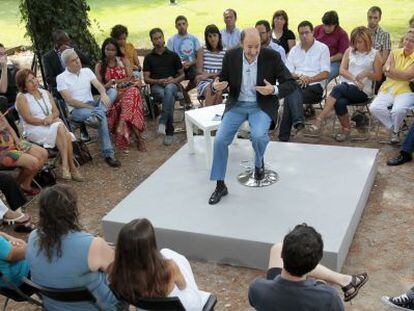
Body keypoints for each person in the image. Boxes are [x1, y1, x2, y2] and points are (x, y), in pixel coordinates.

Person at [208, 28, 297, 205]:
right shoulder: (231, 56)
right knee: (219, 141)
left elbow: (290, 83)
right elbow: (222, 81)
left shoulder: (271, 56)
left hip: (261, 105)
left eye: (257, 46)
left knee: (258, 136)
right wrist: (216, 86)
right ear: (241, 44)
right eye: (249, 47)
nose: (254, 51)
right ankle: (220, 185)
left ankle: (258, 162)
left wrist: (274, 89)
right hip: (237, 105)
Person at [26, 185, 121, 310]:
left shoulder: (33, 237)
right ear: (72, 211)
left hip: (54, 307)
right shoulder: (93, 245)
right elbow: (120, 273)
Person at [248, 223, 369, 310]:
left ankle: (345, 280)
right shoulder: (328, 297)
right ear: (314, 266)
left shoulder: (257, 288)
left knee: (277, 247)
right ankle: (345, 281)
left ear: (282, 255)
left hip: (273, 297)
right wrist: (320, 286)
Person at [109, 218, 210, 310]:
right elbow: (183, 287)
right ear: (150, 245)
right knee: (175, 258)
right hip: (181, 307)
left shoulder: (117, 271)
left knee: (166, 252)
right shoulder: (169, 267)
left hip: (144, 306)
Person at [309, 26, 382, 141]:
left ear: (367, 41)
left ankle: (320, 118)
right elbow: (341, 70)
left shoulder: (375, 54)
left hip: (363, 90)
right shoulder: (349, 51)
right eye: (355, 42)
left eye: (360, 42)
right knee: (340, 102)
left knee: (338, 89)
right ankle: (346, 129)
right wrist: (353, 78)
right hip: (347, 86)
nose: (357, 45)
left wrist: (367, 73)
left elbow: (378, 76)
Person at [15, 69, 84, 181]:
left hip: (51, 124)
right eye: (29, 81)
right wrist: (45, 121)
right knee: (62, 129)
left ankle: (67, 167)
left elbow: (56, 112)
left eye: (34, 78)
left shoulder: (45, 93)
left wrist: (51, 118)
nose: (34, 82)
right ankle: (71, 168)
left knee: (61, 129)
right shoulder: (22, 97)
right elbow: (28, 119)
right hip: (34, 128)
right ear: (23, 86)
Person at [56, 48, 121, 167]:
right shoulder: (61, 78)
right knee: (102, 116)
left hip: (93, 104)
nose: (78, 61)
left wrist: (103, 94)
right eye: (73, 60)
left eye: (78, 58)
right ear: (67, 64)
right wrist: (91, 108)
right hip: (77, 110)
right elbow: (70, 101)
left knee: (112, 91)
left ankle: (97, 115)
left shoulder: (86, 71)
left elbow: (99, 86)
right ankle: (109, 154)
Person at [279, 21, 330, 142]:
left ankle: (288, 132)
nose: (304, 36)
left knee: (290, 93)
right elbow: (287, 72)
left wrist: (309, 79)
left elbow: (326, 73)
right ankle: (297, 124)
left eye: (307, 32)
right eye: (301, 33)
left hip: (315, 87)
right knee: (292, 91)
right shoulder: (295, 50)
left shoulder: (322, 49)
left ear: (313, 32)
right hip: (298, 83)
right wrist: (299, 77)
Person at [95, 38, 146, 153]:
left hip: (127, 90)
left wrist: (116, 82)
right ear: (104, 50)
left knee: (131, 95)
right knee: (131, 100)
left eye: (113, 50)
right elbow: (100, 87)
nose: (110, 52)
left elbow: (130, 77)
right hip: (113, 95)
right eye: (107, 49)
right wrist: (108, 85)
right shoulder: (99, 65)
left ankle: (123, 124)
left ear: (116, 51)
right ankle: (139, 139)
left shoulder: (123, 60)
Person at [370, 28, 414, 144]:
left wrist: (392, 70)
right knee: (374, 108)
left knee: (398, 110)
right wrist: (401, 74)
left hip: (406, 90)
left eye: (412, 41)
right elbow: (385, 69)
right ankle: (396, 128)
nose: (407, 43)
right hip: (388, 87)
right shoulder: (395, 52)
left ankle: (395, 132)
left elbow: (408, 75)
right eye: (406, 39)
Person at [143, 28, 185, 146]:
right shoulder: (148, 58)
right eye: (155, 39)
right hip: (157, 86)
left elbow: (182, 74)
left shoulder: (173, 55)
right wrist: (158, 81)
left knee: (169, 89)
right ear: (152, 41)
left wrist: (174, 80)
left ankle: (165, 125)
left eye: (160, 37)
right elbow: (146, 79)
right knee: (169, 96)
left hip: (172, 84)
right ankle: (169, 130)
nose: (158, 40)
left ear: (164, 38)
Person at [0, 110, 47, 196]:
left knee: (43, 153)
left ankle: (25, 185)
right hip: (2, 151)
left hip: (12, 143)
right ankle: (14, 187)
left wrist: (17, 140)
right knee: (33, 163)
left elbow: (9, 128)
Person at [167, 15, 201, 105]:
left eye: (183, 24)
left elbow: (199, 57)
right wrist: (179, 64)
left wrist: (190, 63)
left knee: (198, 76)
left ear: (187, 24)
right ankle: (187, 99)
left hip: (192, 66)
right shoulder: (171, 40)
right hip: (177, 67)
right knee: (174, 80)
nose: (181, 26)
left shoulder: (194, 39)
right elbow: (169, 58)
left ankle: (185, 91)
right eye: (179, 24)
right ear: (176, 26)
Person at [314, 11, 350, 83]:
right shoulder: (317, 29)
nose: (326, 28)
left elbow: (342, 54)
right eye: (325, 25)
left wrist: (326, 59)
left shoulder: (342, 34)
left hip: (334, 62)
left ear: (335, 24)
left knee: (324, 76)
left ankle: (318, 91)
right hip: (317, 59)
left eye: (329, 26)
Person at [195, 24, 226, 106]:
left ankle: (212, 115)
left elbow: (226, 72)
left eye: (215, 35)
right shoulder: (202, 51)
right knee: (212, 89)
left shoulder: (226, 51)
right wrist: (214, 76)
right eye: (210, 36)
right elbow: (199, 72)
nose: (212, 39)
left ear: (219, 36)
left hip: (220, 80)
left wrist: (209, 75)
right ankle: (209, 115)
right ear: (206, 38)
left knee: (217, 89)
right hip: (205, 83)